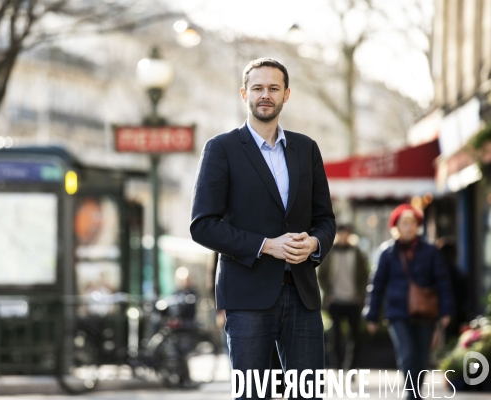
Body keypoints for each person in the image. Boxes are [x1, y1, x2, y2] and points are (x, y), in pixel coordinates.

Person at [190, 57, 336, 399]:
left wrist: (314, 243)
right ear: (244, 94)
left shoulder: (306, 148)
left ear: (287, 94)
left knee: (309, 394)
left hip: (302, 295)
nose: (265, 95)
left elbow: (326, 220)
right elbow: (203, 225)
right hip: (247, 298)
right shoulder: (221, 149)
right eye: (258, 88)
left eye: (273, 88)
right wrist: (265, 245)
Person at [364, 204, 453, 400]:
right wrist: (371, 315)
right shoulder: (387, 252)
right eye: (404, 223)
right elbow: (376, 284)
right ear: (396, 225)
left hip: (425, 311)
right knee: (407, 353)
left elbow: (442, 281)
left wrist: (446, 311)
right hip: (397, 312)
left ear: (417, 226)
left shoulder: (430, 251)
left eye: (412, 222)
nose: (409, 227)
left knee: (421, 357)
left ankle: (415, 393)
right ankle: (411, 393)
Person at [317, 224, 369, 370]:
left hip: (353, 301)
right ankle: (337, 366)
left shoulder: (357, 253)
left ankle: (351, 366)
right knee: (336, 336)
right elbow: (321, 276)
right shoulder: (329, 253)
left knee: (356, 336)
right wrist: (329, 294)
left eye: (346, 233)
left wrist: (360, 295)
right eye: (341, 234)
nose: (343, 236)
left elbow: (364, 276)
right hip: (335, 301)